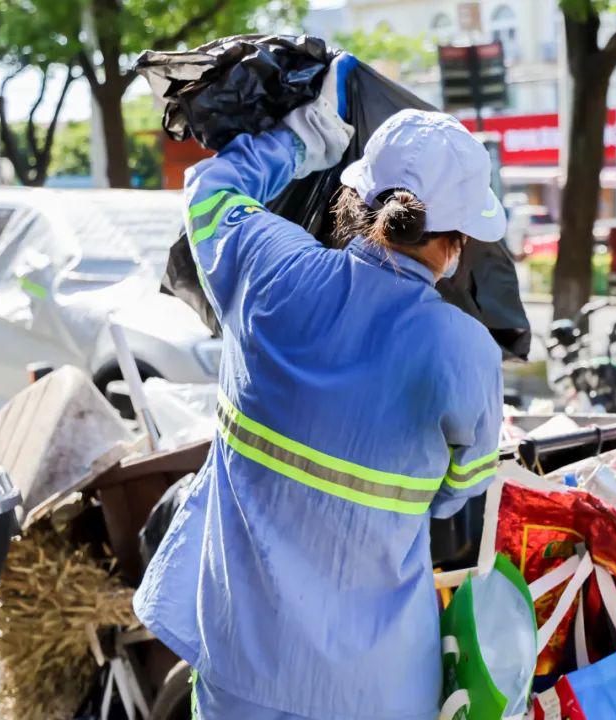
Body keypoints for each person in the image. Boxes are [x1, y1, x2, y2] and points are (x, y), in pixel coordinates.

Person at [134, 83, 506, 719]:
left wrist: (298, 141)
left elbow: (208, 191)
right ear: (454, 244)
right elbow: (461, 489)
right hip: (379, 687)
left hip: (240, 664)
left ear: (353, 198)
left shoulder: (269, 270)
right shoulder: (465, 349)